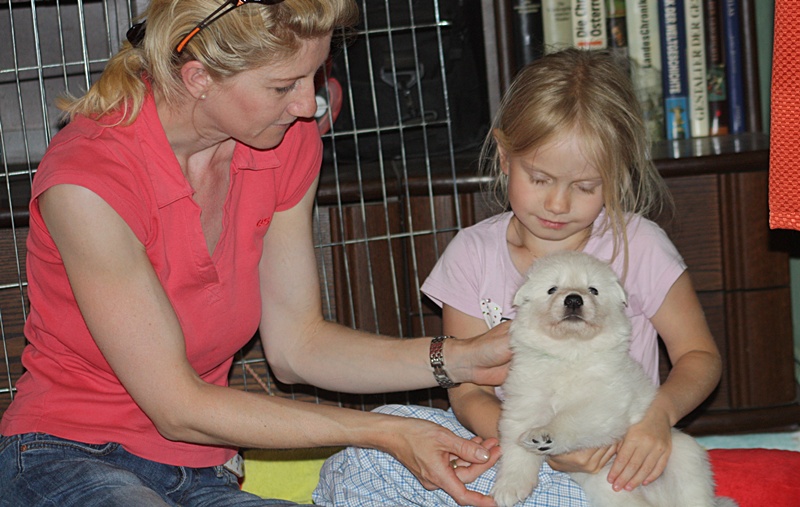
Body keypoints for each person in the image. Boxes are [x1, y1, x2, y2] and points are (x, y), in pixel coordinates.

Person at [0, 1, 512, 506]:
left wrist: (464, 357)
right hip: (66, 455)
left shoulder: (287, 141)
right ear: (199, 78)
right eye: (283, 86)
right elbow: (177, 409)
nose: (308, 104)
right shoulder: (88, 180)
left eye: (314, 76)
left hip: (203, 470)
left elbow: (298, 347)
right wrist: (387, 431)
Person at [314, 47, 724, 506]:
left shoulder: (640, 245)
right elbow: (468, 391)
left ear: (616, 176)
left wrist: (658, 416)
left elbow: (699, 355)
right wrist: (534, 445)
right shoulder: (471, 253)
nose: (557, 204)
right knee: (374, 450)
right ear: (505, 156)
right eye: (540, 178)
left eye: (585, 186)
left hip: (615, 454)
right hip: (518, 448)